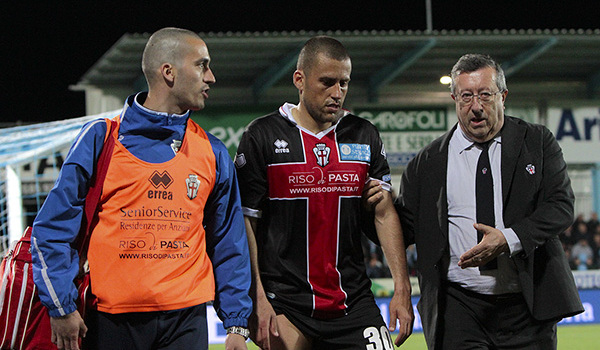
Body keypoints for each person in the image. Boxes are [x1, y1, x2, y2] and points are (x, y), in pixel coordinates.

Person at [31, 27, 252, 350]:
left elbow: (228, 241)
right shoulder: (100, 138)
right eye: (202, 65)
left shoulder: (213, 151)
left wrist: (236, 323)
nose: (212, 77)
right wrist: (61, 306)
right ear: (169, 72)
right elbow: (52, 227)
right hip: (111, 321)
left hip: (186, 321)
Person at [387, 53, 584, 349]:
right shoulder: (428, 162)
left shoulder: (537, 142)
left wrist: (507, 239)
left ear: (503, 96)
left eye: (485, 95)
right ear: (454, 98)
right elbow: (404, 229)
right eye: (466, 96)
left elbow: (561, 207)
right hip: (459, 309)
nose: (476, 107)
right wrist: (373, 207)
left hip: (526, 309)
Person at [234, 36, 413, 349]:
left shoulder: (363, 133)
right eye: (327, 82)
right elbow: (247, 222)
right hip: (286, 302)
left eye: (344, 83)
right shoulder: (262, 135)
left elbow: (384, 211)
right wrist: (257, 296)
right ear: (299, 80)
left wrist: (402, 287)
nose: (337, 93)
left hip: (353, 300)